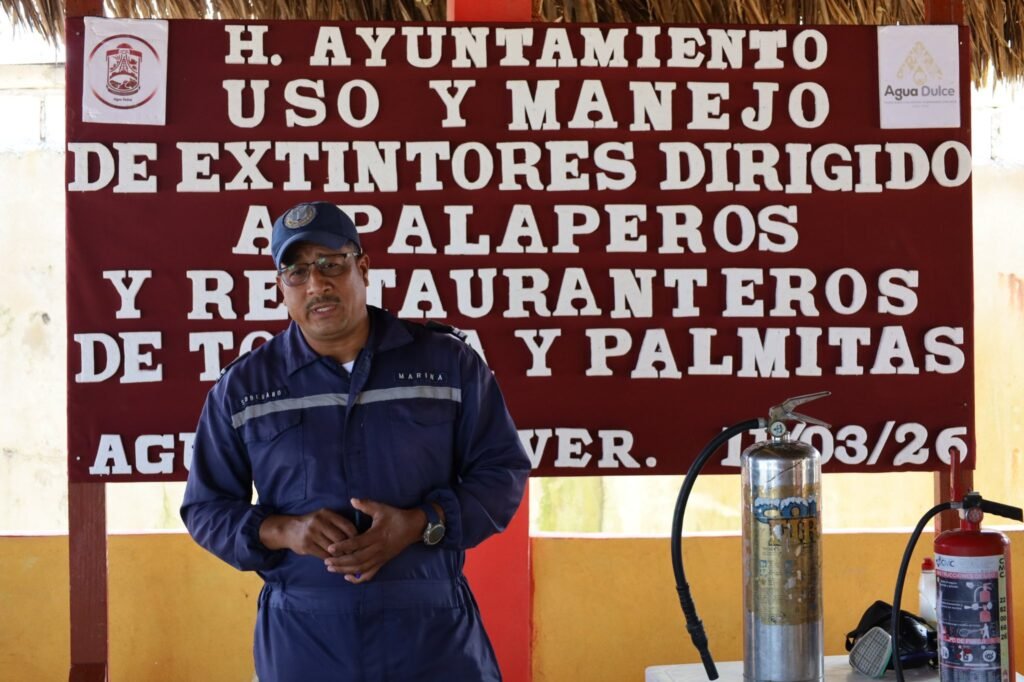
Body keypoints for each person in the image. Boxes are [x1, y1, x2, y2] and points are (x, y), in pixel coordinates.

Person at [181, 200, 531, 682]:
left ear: (362, 268)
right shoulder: (244, 388)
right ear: (281, 286)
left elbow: (502, 474)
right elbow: (205, 509)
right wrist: (284, 531)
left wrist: (422, 522)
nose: (316, 284)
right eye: (297, 271)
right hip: (304, 640)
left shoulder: (447, 365)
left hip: (433, 638)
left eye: (331, 263)